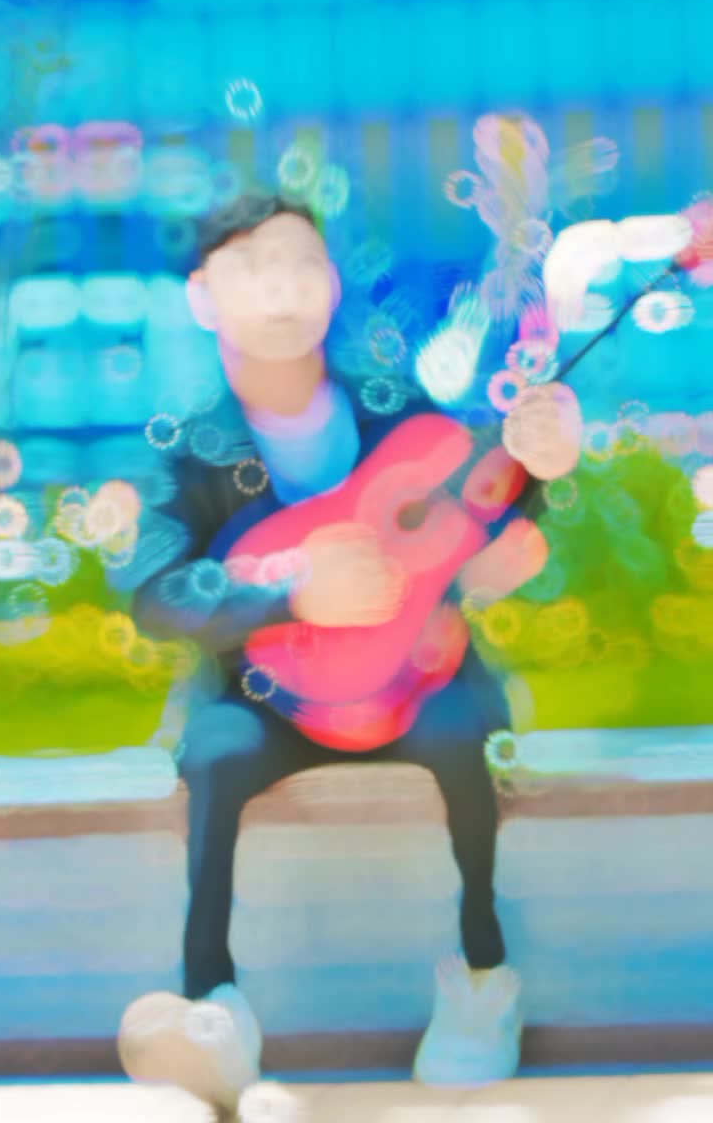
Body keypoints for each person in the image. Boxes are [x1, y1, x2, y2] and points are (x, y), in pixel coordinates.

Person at [117, 192, 582, 1113]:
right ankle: (214, 1005)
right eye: (253, 268)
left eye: (301, 266)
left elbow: (483, 499)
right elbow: (157, 594)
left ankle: (483, 976)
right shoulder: (189, 444)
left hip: (419, 679)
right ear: (204, 295)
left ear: (331, 287)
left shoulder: (392, 407)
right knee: (214, 755)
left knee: (464, 737)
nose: (281, 290)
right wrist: (290, 594)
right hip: (265, 699)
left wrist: (545, 464)